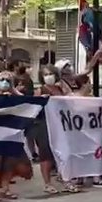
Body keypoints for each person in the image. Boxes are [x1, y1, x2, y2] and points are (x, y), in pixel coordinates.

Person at [0, 71, 30, 201]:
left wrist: (14, 91)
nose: (5, 82)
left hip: (11, 135)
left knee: (9, 163)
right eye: (2, 79)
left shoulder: (14, 97)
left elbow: (27, 102)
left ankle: (5, 188)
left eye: (8, 80)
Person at [32, 65, 78, 194]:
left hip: (60, 124)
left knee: (64, 152)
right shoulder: (40, 90)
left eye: (50, 74)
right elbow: (34, 108)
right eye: (45, 74)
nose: (48, 77)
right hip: (44, 125)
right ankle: (47, 183)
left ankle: (65, 179)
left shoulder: (60, 89)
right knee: (46, 154)